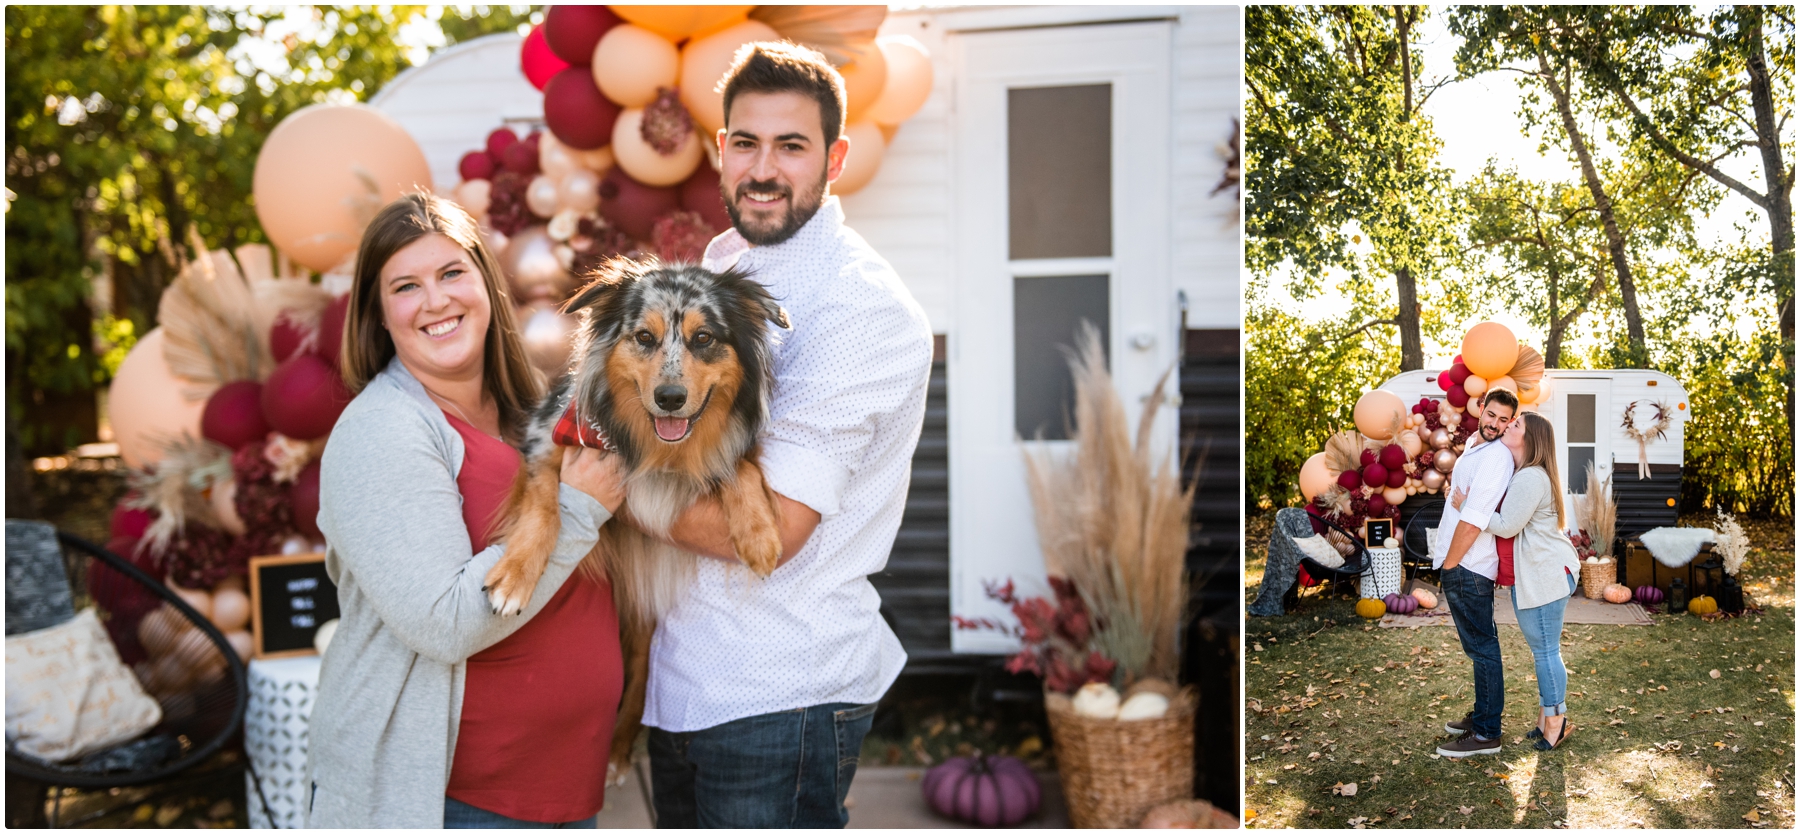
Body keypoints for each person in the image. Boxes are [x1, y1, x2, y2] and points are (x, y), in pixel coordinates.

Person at [637, 42, 935, 828]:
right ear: (719, 149)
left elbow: (766, 533)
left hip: (779, 692)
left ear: (835, 159)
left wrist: (612, 486)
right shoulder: (725, 263)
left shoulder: (854, 307)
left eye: (792, 146)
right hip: (687, 680)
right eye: (746, 142)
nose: (762, 168)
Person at [305, 194, 629, 828]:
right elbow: (442, 623)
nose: (436, 300)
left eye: (452, 272)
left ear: (486, 281)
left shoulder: (531, 408)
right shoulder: (382, 432)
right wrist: (578, 509)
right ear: (377, 314)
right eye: (406, 286)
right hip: (454, 801)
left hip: (564, 790)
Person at [1450, 411, 1580, 751]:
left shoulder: (1530, 478)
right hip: (1537, 575)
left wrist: (1468, 508)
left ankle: (1556, 721)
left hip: (1546, 575)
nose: (1508, 426)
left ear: (1530, 438)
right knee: (1543, 651)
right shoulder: (1526, 474)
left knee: (1546, 652)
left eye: (1516, 424)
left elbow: (1507, 525)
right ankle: (1545, 718)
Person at [1430, 387, 1519, 758]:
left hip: (1469, 565)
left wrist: (1450, 564)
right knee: (1478, 648)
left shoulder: (1497, 457)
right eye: (1492, 415)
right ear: (1480, 409)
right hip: (1459, 562)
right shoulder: (1474, 446)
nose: (1496, 425)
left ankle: (1486, 734)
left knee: (1483, 649)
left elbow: (1475, 518)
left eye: (1504, 420)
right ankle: (1483, 716)